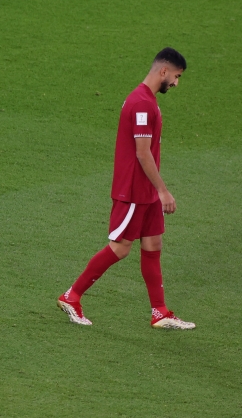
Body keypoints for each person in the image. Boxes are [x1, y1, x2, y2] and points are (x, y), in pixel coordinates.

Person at [58, 48, 194, 329]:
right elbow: (142, 153)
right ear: (164, 71)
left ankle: (160, 312)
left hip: (146, 191)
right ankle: (71, 297)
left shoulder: (147, 100)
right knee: (120, 248)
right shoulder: (142, 103)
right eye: (177, 77)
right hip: (134, 191)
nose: (176, 83)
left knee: (153, 243)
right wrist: (163, 191)